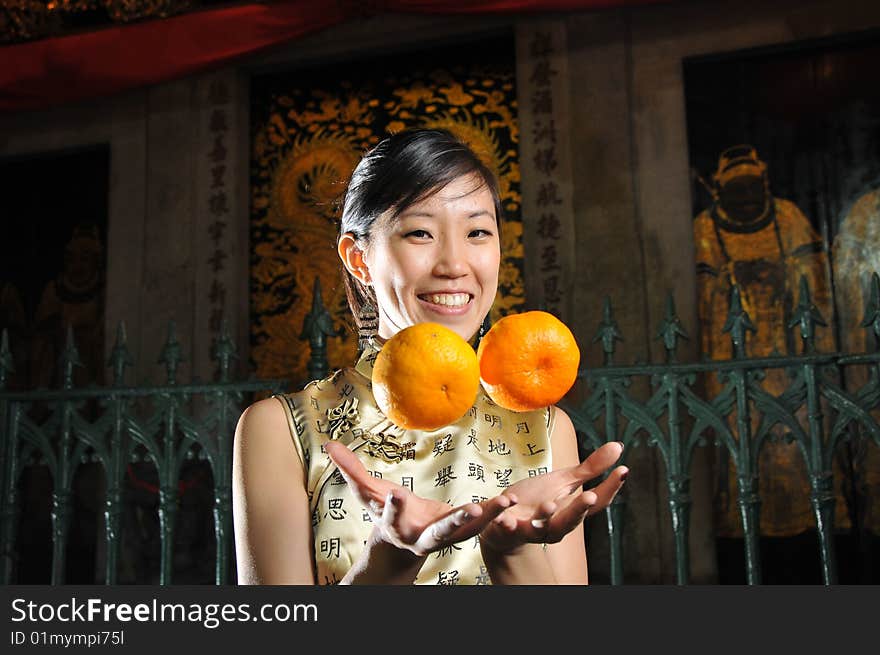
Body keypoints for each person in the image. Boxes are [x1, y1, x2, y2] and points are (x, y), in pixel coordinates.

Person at [232, 128, 628, 585]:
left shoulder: (543, 426)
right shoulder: (281, 428)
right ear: (358, 258)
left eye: (478, 232)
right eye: (420, 232)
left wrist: (509, 551)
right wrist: (391, 555)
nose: (454, 264)